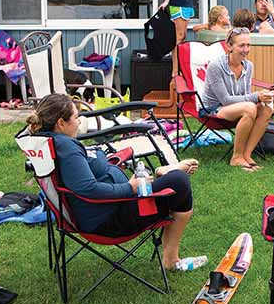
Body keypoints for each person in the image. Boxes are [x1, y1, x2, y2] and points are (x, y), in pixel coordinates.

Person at [27, 94, 203, 272]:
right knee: (179, 182)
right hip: (109, 221)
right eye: (75, 117)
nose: (79, 121)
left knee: (170, 181)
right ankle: (171, 260)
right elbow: (89, 189)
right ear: (61, 123)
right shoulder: (67, 149)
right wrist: (130, 187)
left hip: (106, 208)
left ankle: (161, 174)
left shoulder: (49, 144)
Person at [198, 27, 274, 172]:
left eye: (248, 45)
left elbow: (245, 95)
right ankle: (236, 157)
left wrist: (263, 97)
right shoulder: (216, 67)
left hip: (235, 108)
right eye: (241, 45)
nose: (246, 49)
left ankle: (246, 155)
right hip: (213, 110)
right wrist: (256, 96)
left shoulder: (248, 66)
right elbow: (225, 100)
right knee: (250, 108)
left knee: (266, 108)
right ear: (229, 46)